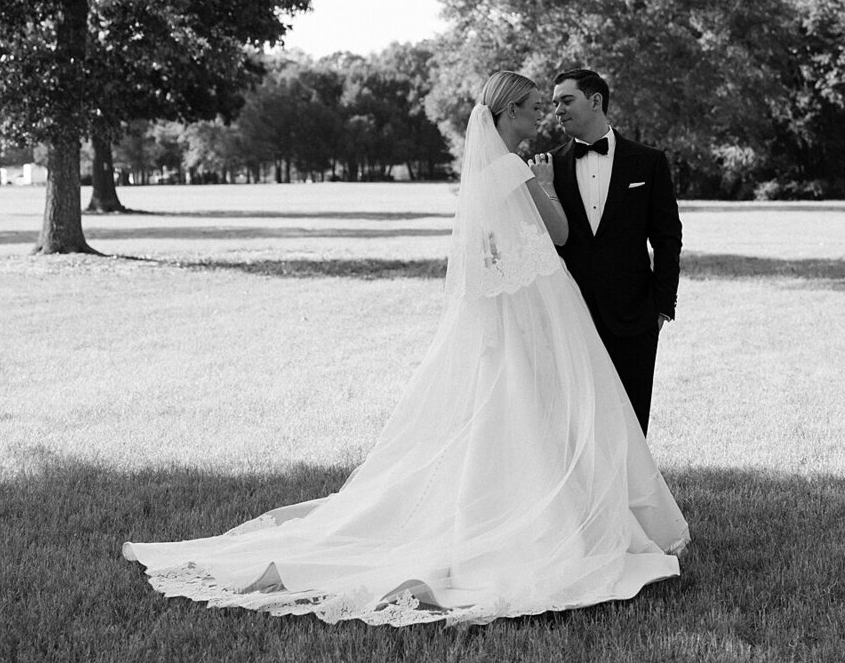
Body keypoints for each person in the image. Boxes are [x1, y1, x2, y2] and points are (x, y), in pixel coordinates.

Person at [123, 71, 688, 628]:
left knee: (515, 424)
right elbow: (560, 236)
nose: (543, 114)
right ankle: (542, 525)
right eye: (535, 106)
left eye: (551, 103)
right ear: (509, 113)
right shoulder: (518, 171)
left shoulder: (486, 173)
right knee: (529, 423)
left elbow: (486, 258)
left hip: (521, 318)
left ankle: (535, 514)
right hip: (533, 318)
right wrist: (542, 186)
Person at [550, 68, 682, 435]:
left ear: (595, 101)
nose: (557, 110)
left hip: (635, 315)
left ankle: (632, 492)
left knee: (631, 419)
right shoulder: (549, 167)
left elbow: (668, 237)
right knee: (576, 422)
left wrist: (661, 307)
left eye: (566, 100)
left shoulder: (649, 161)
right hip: (572, 315)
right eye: (554, 103)